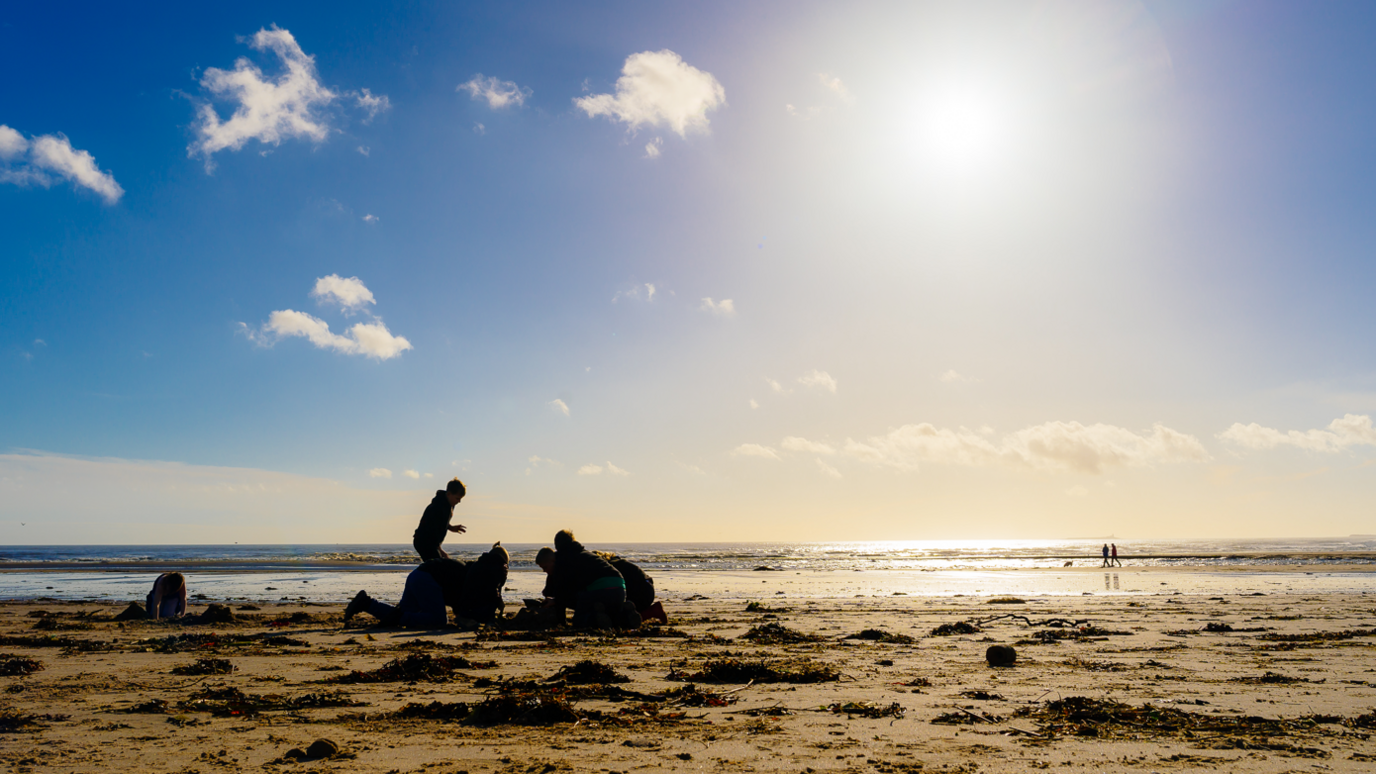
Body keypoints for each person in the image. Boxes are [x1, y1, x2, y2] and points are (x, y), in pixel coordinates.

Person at [537, 530, 639, 629]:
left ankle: (594, 618)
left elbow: (561, 593)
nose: (544, 571)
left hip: (600, 589)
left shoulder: (561, 562)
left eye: (545, 567)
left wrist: (560, 621)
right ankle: (626, 614)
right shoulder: (586, 554)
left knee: (580, 621)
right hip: (619, 586)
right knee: (611, 614)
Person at [344, 555, 472, 628]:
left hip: (417, 574)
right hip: (427, 579)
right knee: (437, 620)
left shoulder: (465, 570)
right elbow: (459, 604)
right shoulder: (469, 580)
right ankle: (396, 618)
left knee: (406, 611)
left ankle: (367, 604)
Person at [593, 550, 668, 624]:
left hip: (639, 593)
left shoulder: (607, 567)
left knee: (622, 617)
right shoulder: (618, 561)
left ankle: (649, 613)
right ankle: (652, 610)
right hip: (648, 588)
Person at [413, 477, 467, 561]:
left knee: (436, 566)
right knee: (438, 566)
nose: (459, 501)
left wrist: (450, 527)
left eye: (460, 499)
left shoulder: (448, 504)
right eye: (457, 498)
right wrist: (440, 549)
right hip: (424, 541)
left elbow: (441, 523)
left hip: (428, 541)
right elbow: (432, 529)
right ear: (449, 494)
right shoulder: (438, 507)